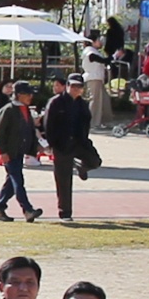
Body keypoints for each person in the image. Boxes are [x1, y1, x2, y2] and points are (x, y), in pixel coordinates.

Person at [41, 74, 95, 221]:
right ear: (67, 86)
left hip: (79, 142)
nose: (76, 89)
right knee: (64, 180)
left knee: (95, 161)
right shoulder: (56, 102)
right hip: (61, 145)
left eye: (79, 87)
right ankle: (65, 213)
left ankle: (81, 166)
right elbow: (48, 124)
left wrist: (84, 140)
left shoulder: (82, 104)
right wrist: (51, 144)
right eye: (73, 86)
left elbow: (86, 123)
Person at [0, 80, 43, 222]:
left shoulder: (25, 109)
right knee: (18, 181)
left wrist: (36, 147)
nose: (30, 96)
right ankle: (27, 209)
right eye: (27, 93)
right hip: (10, 153)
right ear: (18, 95)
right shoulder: (8, 110)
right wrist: (3, 152)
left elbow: (29, 131)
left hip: (19, 152)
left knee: (11, 183)